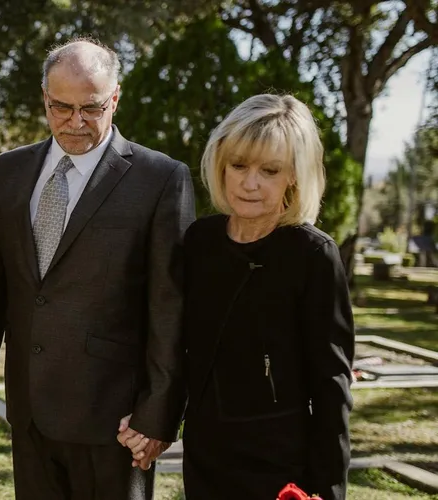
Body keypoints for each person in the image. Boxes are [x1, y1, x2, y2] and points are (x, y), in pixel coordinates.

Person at [0, 37, 195, 499]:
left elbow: (171, 307)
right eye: (60, 107)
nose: (75, 121)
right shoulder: (8, 172)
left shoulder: (161, 178)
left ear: (115, 99)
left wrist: (158, 413)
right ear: (44, 98)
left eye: (91, 107)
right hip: (28, 408)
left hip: (114, 418)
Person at [181, 94, 354, 500]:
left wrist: (327, 492)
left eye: (269, 170)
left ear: (293, 174)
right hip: (205, 458)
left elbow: (332, 386)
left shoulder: (313, 254)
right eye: (238, 165)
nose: (250, 182)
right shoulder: (199, 242)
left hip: (281, 467)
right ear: (220, 163)